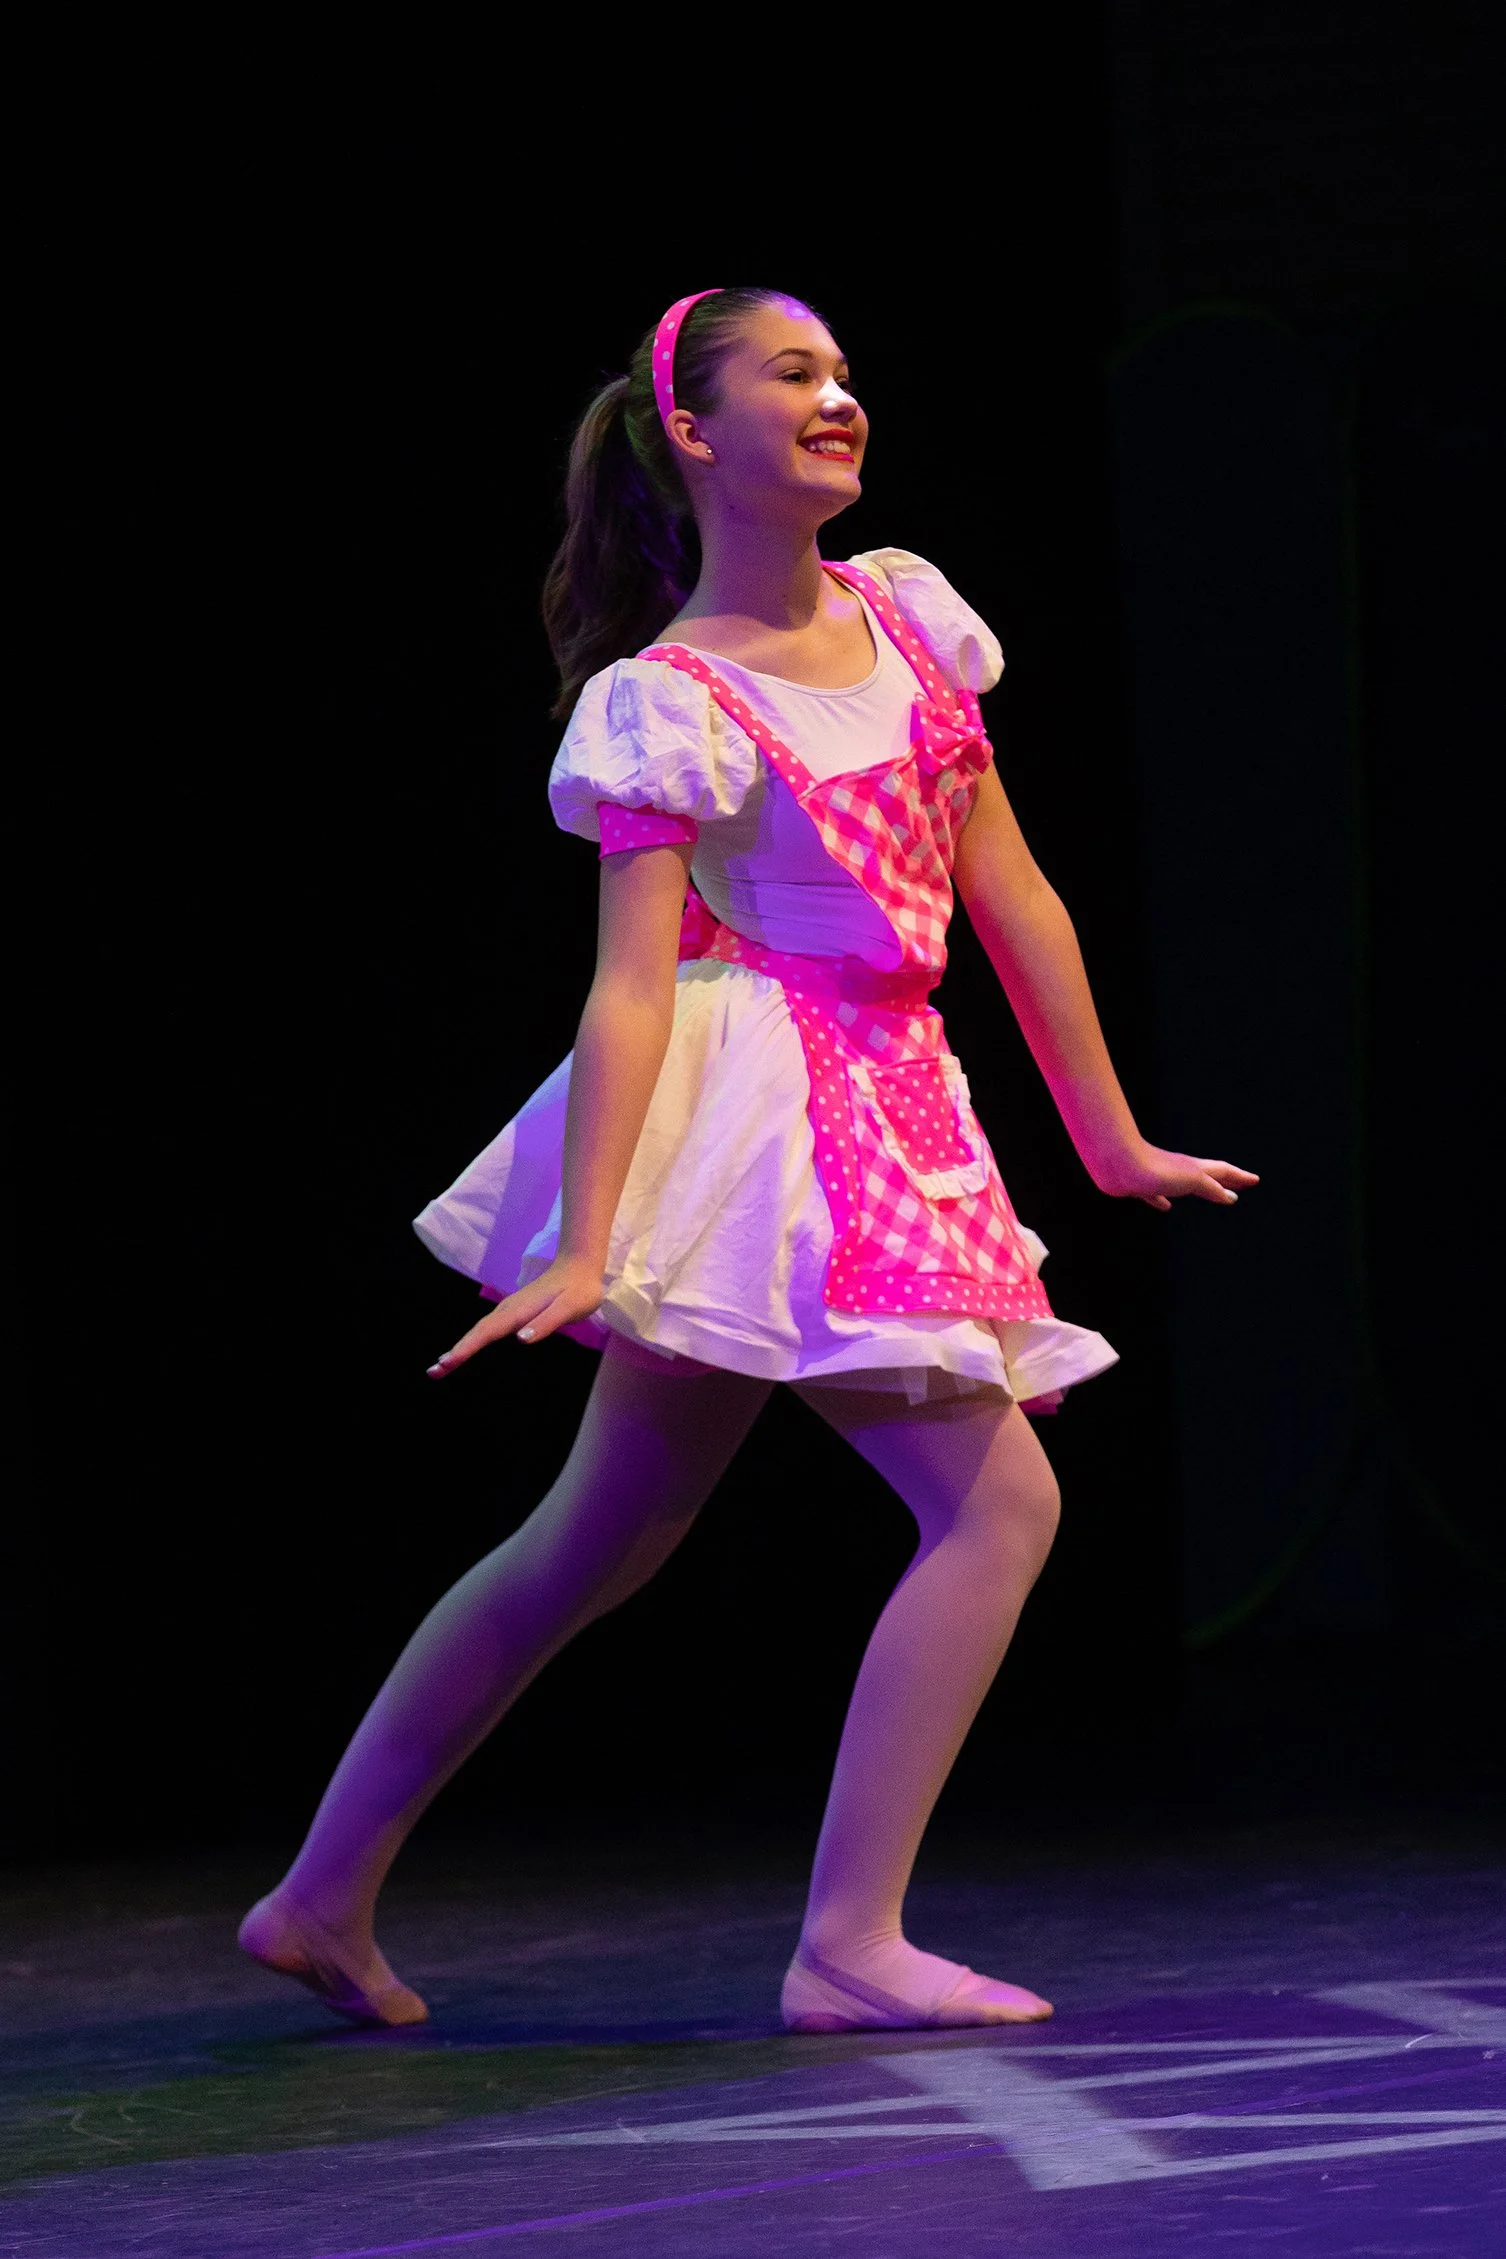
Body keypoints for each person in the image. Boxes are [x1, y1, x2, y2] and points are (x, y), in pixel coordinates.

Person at [238, 286, 1257, 2035]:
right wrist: (592, 1234)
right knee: (997, 1500)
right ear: (695, 433)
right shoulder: (667, 697)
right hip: (767, 1105)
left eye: (847, 369)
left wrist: (1107, 1133)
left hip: (891, 1083)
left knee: (599, 1534)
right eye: (794, 372)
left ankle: (319, 1894)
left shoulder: (910, 619)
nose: (839, 394)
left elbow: (1008, 896)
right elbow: (632, 983)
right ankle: (846, 1937)